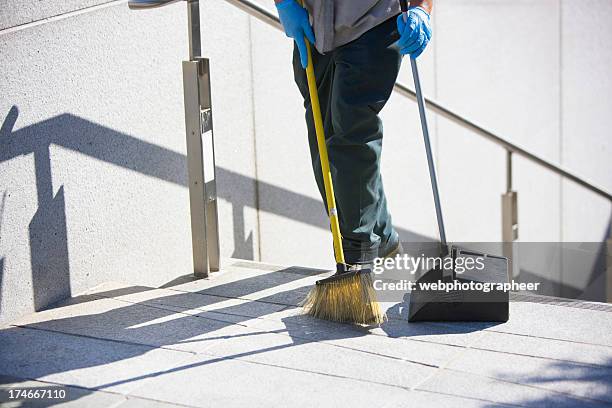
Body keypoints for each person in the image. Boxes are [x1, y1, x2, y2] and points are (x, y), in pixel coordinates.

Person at [275, 0, 433, 265]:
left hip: (374, 22)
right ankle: (382, 237)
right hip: (313, 24)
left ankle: (359, 254)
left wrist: (421, 7)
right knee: (322, 141)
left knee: (351, 132)